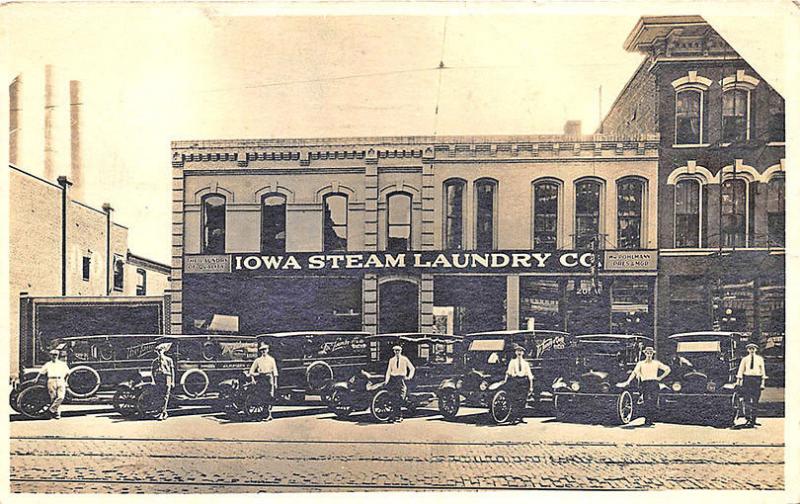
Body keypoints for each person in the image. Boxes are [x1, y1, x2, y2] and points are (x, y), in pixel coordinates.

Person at [619, 346, 670, 426]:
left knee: (653, 402)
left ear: (653, 353)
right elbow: (634, 373)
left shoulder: (656, 363)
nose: (649, 354)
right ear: (645, 353)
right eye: (647, 353)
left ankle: (650, 419)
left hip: (654, 383)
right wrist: (628, 381)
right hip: (645, 383)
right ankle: (647, 419)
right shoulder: (641, 363)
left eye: (650, 353)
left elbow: (667, 369)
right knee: (646, 401)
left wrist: (660, 378)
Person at [736, 342, 767, 428]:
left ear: (756, 350)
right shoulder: (745, 359)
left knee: (755, 400)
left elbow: (763, 371)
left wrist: (762, 383)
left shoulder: (760, 359)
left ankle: (753, 420)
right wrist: (738, 382)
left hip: (756, 380)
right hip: (747, 380)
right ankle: (748, 419)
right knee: (747, 400)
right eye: (750, 349)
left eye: (753, 349)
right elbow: (740, 370)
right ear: (748, 350)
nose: (752, 350)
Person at [383, 344, 415, 423]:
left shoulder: (404, 359)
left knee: (400, 397)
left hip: (401, 378)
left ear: (401, 351)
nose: (397, 352)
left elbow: (412, 368)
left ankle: (396, 415)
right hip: (393, 379)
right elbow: (388, 371)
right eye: (395, 351)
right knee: (394, 398)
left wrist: (409, 376)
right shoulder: (391, 360)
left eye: (398, 351)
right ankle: (397, 416)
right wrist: (387, 380)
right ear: (393, 351)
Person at [36, 348, 71, 419]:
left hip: (60, 380)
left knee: (61, 397)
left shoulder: (62, 364)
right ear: (50, 356)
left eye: (56, 355)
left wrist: (66, 382)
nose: (54, 356)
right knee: (53, 398)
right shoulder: (48, 364)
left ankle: (50, 411)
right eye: (52, 355)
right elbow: (41, 372)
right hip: (51, 380)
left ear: (58, 355)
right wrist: (36, 378)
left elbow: (68, 373)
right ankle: (56, 413)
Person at [504, 343, 534, 424]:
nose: (519, 353)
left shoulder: (525, 363)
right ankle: (513, 418)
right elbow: (509, 372)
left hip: (524, 381)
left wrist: (531, 387)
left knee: (523, 400)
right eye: (518, 351)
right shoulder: (512, 362)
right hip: (515, 381)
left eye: (521, 351)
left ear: (523, 353)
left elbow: (530, 375)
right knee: (514, 400)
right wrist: (505, 381)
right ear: (515, 352)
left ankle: (521, 417)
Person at [248, 342, 279, 421]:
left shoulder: (271, 359)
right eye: (262, 350)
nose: (263, 351)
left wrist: (275, 382)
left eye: (265, 349)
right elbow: (251, 371)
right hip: (261, 379)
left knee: (270, 396)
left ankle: (269, 415)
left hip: (269, 378)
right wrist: (253, 379)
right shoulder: (258, 360)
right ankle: (264, 414)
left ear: (268, 350)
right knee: (263, 396)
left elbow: (275, 372)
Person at [151, 342, 175, 421]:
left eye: (161, 350)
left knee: (165, 396)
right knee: (160, 395)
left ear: (164, 351)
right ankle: (164, 413)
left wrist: (172, 381)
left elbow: (172, 371)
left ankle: (162, 413)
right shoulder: (155, 361)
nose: (159, 352)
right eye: (158, 351)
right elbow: (153, 371)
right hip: (159, 378)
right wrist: (153, 380)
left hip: (167, 377)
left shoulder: (169, 360)